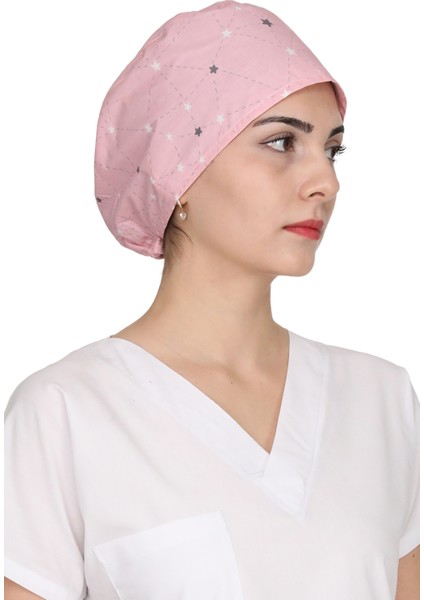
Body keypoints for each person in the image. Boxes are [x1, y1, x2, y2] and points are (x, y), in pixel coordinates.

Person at [4, 1, 419, 599]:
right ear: (177, 175)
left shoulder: (383, 401)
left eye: (332, 149)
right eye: (281, 142)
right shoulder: (66, 413)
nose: (325, 182)